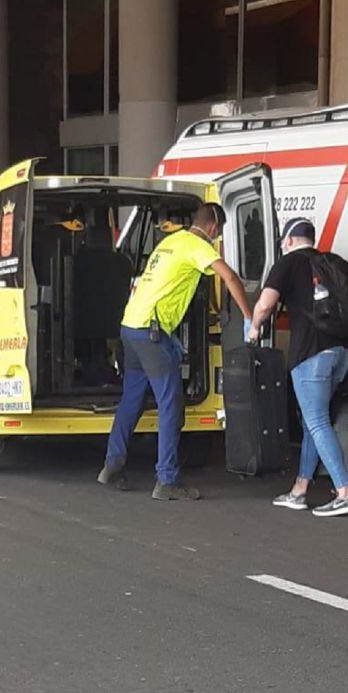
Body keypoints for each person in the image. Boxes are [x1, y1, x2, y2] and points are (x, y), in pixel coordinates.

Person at [98, 202, 252, 501]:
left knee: (132, 399)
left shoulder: (169, 242)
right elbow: (229, 277)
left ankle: (112, 465)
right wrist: (249, 314)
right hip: (150, 333)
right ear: (213, 228)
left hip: (131, 326)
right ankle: (166, 479)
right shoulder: (197, 245)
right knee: (171, 404)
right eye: (218, 233)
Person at [248, 218, 348, 517]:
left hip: (310, 355)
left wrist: (255, 327)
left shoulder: (287, 263)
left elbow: (265, 304)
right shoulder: (334, 262)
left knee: (317, 422)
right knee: (316, 420)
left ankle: (344, 491)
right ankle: (300, 489)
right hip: (342, 352)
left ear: (288, 240)